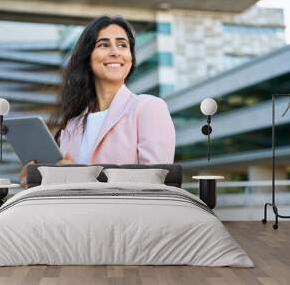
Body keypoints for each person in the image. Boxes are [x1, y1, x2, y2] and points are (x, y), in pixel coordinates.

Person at [19, 16, 175, 186]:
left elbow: (155, 183)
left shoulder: (149, 108)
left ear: (130, 57)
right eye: (104, 44)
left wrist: (78, 177)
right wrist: (37, 180)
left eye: (123, 45)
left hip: (128, 212)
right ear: (88, 58)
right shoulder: (71, 125)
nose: (115, 52)